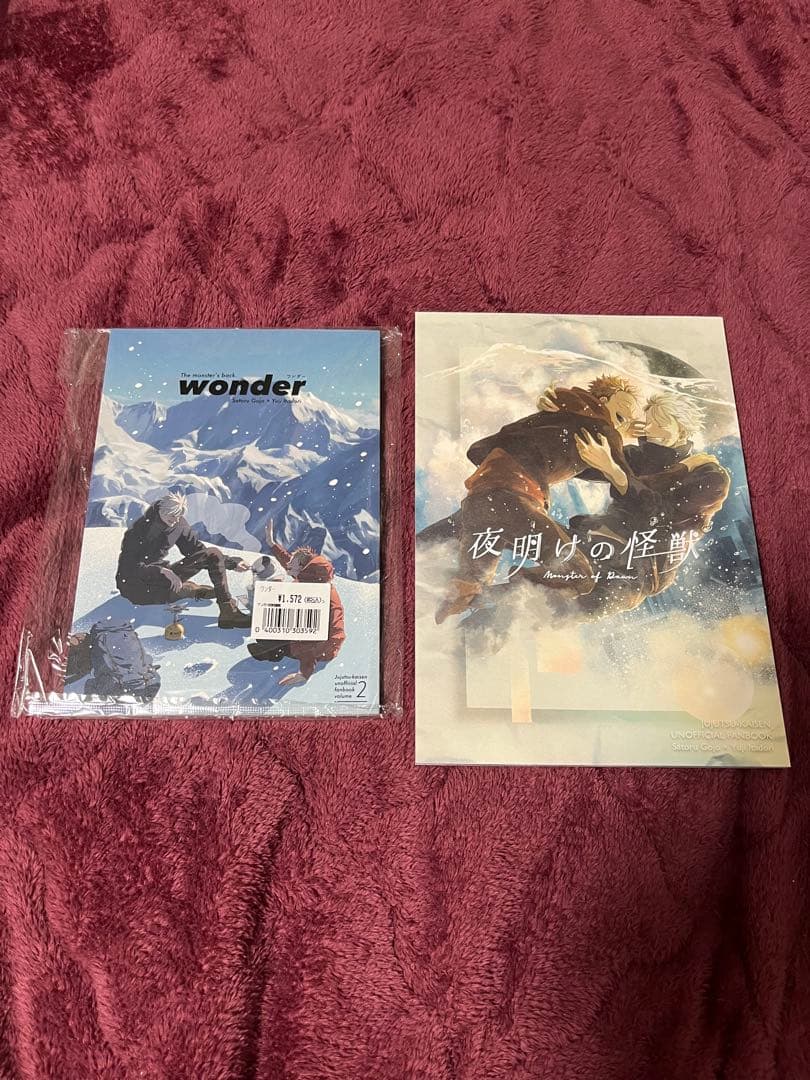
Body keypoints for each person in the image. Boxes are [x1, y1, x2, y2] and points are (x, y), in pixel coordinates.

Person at [434, 373, 649, 623]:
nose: (628, 419)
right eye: (624, 412)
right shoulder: (603, 429)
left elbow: (477, 450)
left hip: (478, 502)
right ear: (602, 401)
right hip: (512, 501)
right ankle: (511, 588)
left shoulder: (555, 413)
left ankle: (452, 594)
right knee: (579, 575)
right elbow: (626, 482)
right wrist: (617, 451)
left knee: (468, 585)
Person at [567, 391, 731, 618]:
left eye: (661, 424)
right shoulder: (641, 456)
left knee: (567, 614)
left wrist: (615, 472)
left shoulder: (711, 476)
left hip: (639, 569)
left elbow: (659, 514)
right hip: (597, 541)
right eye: (649, 422)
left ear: (682, 429)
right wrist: (610, 434)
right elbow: (577, 463)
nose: (652, 430)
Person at [115, 493, 252, 629]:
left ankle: (227, 610)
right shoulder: (138, 530)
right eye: (172, 515)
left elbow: (197, 551)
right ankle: (189, 590)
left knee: (212, 553)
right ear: (160, 511)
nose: (175, 520)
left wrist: (232, 563)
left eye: (178, 516)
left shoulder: (178, 524)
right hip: (136, 586)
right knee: (173, 588)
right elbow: (128, 568)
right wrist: (161, 571)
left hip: (163, 578)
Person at [247, 522, 346, 685]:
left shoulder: (322, 594)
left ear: (302, 568)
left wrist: (305, 671)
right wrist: (272, 544)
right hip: (308, 636)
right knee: (265, 631)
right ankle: (275, 647)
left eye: (292, 566)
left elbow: (334, 635)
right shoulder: (309, 576)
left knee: (267, 641)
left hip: (320, 648)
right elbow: (288, 561)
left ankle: (276, 652)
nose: (288, 567)